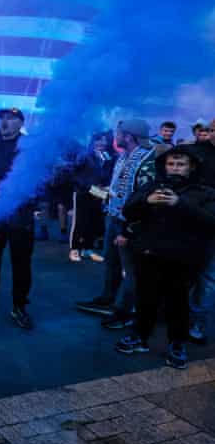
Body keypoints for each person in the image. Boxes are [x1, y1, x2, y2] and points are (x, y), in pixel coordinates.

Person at [115, 146, 215, 369]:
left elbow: (210, 222)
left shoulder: (204, 192)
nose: (175, 168)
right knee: (145, 299)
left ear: (191, 168)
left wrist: (179, 204)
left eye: (180, 164)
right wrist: (146, 201)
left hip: (182, 258)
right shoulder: (151, 186)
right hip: (149, 254)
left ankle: (176, 343)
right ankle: (140, 336)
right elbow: (128, 210)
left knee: (177, 303)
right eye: (171, 164)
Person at [76, 120, 161, 330]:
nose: (116, 136)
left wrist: (130, 228)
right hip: (114, 217)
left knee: (130, 270)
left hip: (130, 223)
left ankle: (125, 312)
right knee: (111, 261)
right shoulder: (124, 156)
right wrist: (96, 191)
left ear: (129, 136)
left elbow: (144, 199)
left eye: (119, 133)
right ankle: (107, 299)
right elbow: (118, 190)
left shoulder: (148, 160)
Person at [0, 108, 35, 329]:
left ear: (20, 123)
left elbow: (41, 178)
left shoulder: (30, 148)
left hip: (21, 213)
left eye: (10, 118)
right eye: (2, 118)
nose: (4, 122)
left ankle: (19, 305)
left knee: (21, 262)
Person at [69, 132, 115, 263]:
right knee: (79, 222)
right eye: (98, 140)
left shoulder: (106, 156)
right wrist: (94, 189)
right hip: (83, 192)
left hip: (97, 193)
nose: (102, 143)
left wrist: (105, 187)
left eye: (104, 140)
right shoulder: (84, 155)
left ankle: (87, 249)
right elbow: (76, 175)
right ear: (92, 141)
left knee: (93, 222)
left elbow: (106, 175)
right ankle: (74, 250)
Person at [189, 119, 215, 343]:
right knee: (184, 271)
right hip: (190, 221)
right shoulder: (195, 153)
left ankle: (198, 321)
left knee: (208, 277)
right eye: (212, 129)